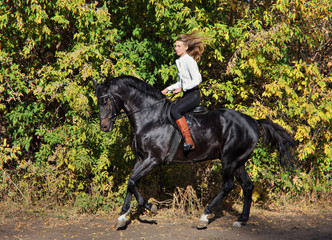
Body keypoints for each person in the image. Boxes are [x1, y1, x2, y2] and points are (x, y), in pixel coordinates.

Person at [161, 32, 205, 151]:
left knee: (175, 110)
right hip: (186, 95)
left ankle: (189, 140)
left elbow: (197, 79)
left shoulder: (189, 61)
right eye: (175, 46)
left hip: (194, 95)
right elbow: (181, 81)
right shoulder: (179, 61)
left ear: (186, 47)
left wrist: (183, 88)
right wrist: (168, 89)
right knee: (168, 108)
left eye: (178, 46)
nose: (176, 48)